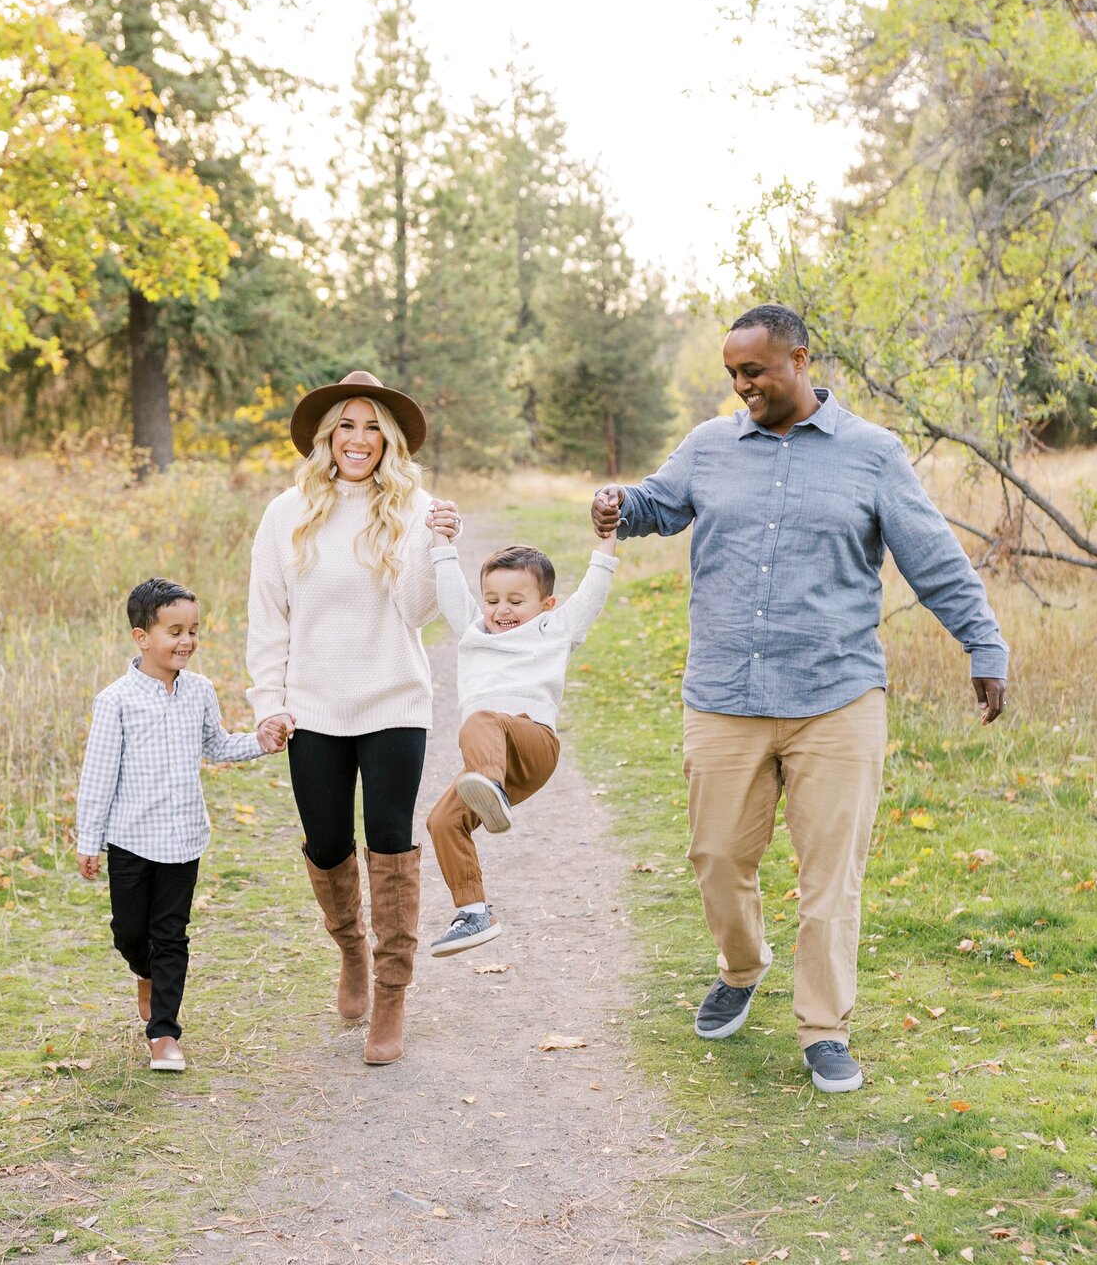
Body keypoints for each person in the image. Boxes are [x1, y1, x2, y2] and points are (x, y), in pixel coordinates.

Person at [591, 304, 1009, 1095]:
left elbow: (935, 560)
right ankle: (743, 969)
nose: (741, 385)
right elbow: (657, 503)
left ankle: (824, 1029)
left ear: (800, 359)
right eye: (732, 374)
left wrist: (982, 644)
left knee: (829, 879)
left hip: (837, 696)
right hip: (725, 694)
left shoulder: (872, 454)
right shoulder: (711, 446)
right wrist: (618, 502)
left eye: (754, 370)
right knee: (716, 857)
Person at [247, 370, 440, 1066]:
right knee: (326, 843)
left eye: (372, 428)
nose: (359, 440)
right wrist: (268, 703)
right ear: (327, 438)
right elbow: (267, 618)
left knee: (389, 841)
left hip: (394, 699)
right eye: (346, 427)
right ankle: (353, 949)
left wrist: (439, 544)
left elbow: (420, 610)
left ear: (389, 441)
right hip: (314, 706)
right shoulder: (285, 513)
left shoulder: (419, 507)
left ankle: (391, 994)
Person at [76, 577, 286, 1072]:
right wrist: (89, 840)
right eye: (175, 631)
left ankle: (164, 1033)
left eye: (194, 630)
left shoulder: (199, 691)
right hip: (129, 839)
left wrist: (261, 740)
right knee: (130, 934)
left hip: (184, 838)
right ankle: (146, 976)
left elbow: (215, 745)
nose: (186, 641)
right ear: (141, 636)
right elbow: (98, 775)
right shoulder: (117, 701)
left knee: (170, 933)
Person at [423, 502, 619, 955]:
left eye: (515, 602)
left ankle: (490, 788)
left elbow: (593, 592)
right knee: (442, 820)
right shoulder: (474, 633)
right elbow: (450, 588)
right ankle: (473, 914)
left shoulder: (556, 628)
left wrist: (609, 539)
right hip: (489, 763)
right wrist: (440, 541)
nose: (501, 611)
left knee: (482, 719)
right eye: (492, 601)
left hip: (531, 746)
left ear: (545, 604)